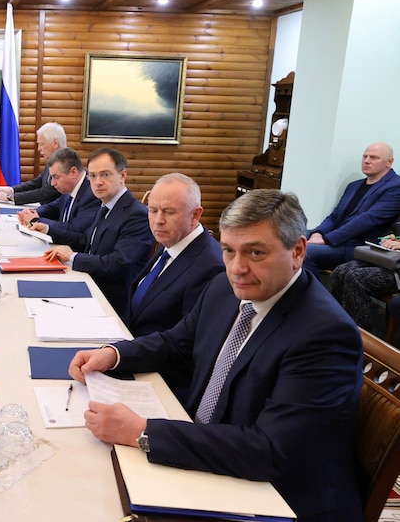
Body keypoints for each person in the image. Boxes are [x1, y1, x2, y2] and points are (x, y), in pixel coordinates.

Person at [68, 190, 363, 522]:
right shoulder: (224, 288)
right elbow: (175, 343)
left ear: (297, 251)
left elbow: (268, 450)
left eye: (255, 252)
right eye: (228, 250)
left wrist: (142, 430)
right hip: (217, 457)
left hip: (278, 499)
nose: (237, 268)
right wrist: (113, 354)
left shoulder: (324, 335)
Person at [128, 173, 224, 400]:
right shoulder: (172, 242)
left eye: (169, 212)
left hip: (159, 380)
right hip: (137, 351)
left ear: (195, 215)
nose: (158, 220)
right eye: (153, 210)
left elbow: (184, 347)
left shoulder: (210, 267)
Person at [44, 148, 154, 319]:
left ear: (122, 175)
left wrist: (73, 257)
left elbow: (119, 263)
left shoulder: (136, 214)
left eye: (105, 175)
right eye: (93, 176)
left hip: (111, 303)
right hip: (89, 285)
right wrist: (52, 235)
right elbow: (85, 240)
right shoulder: (106, 206)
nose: (98, 182)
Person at [304, 142, 400, 275]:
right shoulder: (353, 185)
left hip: (357, 246)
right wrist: (318, 233)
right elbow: (334, 217)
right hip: (336, 238)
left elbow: (368, 220)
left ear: (389, 162)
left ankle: (315, 295)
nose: (367, 161)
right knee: (287, 236)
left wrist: (326, 240)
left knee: (304, 251)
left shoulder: (396, 186)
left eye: (374, 157)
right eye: (365, 156)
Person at [16, 147, 99, 247]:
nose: (52, 183)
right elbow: (56, 206)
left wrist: (37, 220)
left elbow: (74, 229)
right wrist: (36, 212)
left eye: (56, 177)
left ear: (73, 172)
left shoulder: (92, 194)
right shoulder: (69, 186)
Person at [329, 215, 400, 328]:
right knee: (340, 272)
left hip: (397, 269)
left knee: (356, 278)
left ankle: (359, 337)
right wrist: (388, 239)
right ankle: (333, 326)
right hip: (388, 258)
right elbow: (393, 231)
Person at [0, 122, 65, 205]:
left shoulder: (65, 164)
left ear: (55, 143)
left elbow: (46, 193)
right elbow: (37, 183)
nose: (39, 149)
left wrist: (10, 197)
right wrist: (12, 190)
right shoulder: (54, 160)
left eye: (42, 144)